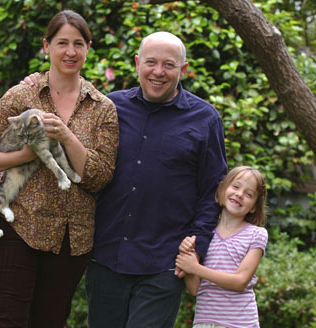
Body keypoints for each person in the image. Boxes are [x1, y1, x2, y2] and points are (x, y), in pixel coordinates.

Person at [23, 31, 227, 327]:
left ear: (182, 70)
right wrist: (35, 83)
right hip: (106, 256)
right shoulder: (109, 108)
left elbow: (212, 192)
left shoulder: (205, 119)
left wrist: (196, 245)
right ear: (137, 63)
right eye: (151, 62)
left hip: (164, 262)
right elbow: (63, 112)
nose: (158, 72)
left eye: (169, 65)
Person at [0, 10, 119, 328]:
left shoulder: (102, 108)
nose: (70, 51)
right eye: (62, 42)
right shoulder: (21, 96)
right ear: (46, 46)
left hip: (70, 238)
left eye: (78, 43)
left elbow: (99, 177)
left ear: (88, 48)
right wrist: (29, 154)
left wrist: (66, 136)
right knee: (6, 322)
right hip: (16, 227)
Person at [176, 166, 268, 328]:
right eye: (236, 187)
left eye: (248, 194)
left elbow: (240, 281)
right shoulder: (202, 236)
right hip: (204, 323)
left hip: (240, 324)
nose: (239, 194)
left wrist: (196, 268)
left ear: (254, 207)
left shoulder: (256, 235)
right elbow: (195, 289)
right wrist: (187, 254)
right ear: (220, 190)